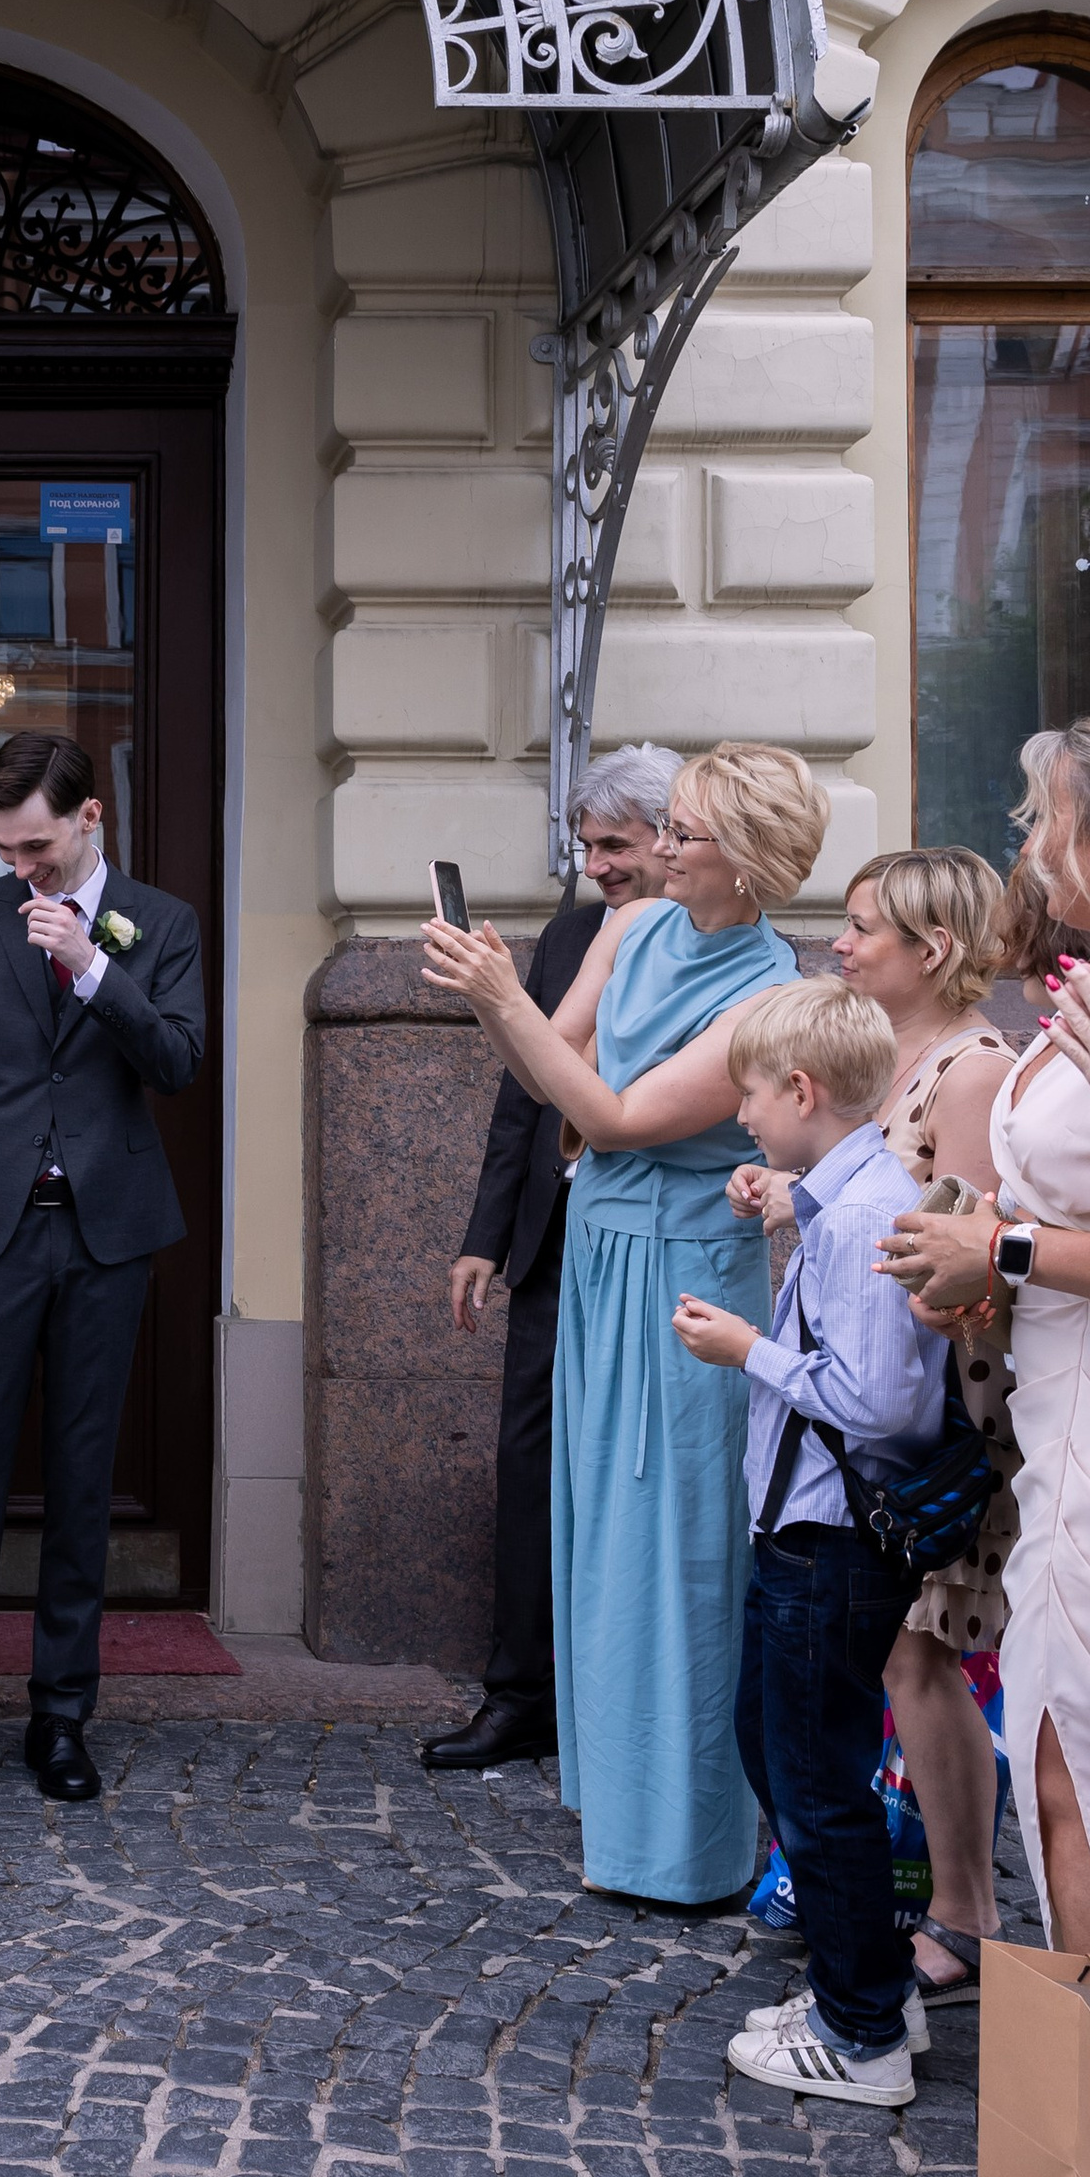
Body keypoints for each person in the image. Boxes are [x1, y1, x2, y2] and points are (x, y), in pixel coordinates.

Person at [425, 740, 828, 1903]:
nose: (654, 850)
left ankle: (690, 1845)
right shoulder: (635, 927)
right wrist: (495, 998)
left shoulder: (766, 995)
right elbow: (552, 1071)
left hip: (686, 1280)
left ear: (745, 862)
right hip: (601, 1257)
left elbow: (606, 1112)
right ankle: (620, 1811)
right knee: (601, 1535)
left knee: (680, 1549)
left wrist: (511, 1004)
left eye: (679, 834)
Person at [0, 729, 207, 1809]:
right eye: (1, 849)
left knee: (81, 1484)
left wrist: (93, 970)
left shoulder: (158, 923)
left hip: (105, 1235)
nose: (17, 869)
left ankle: (60, 1717)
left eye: (34, 845)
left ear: (90, 819)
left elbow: (175, 1061)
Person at [670, 980, 950, 2104]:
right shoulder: (843, 1195)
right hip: (804, 1534)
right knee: (780, 1748)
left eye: (749, 1092)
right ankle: (871, 1980)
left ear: (800, 1089)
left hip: (829, 1539)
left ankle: (861, 2032)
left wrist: (749, 1350)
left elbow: (881, 1405)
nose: (739, 1114)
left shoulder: (870, 1212)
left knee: (814, 1778)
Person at [769, 847, 1015, 2010]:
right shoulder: (888, 1056)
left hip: (940, 1419)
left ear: (932, 949)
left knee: (925, 1655)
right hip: (878, 1417)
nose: (841, 942)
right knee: (903, 1656)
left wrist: (850, 1216)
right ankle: (901, 1898)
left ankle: (966, 1916)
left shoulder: (972, 1068)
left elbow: (962, 1265)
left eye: (863, 927)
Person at [884, 717, 1090, 1959]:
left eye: (1047, 817)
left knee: (1082, 1779)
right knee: (1055, 1763)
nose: (1029, 842)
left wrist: (1005, 1252)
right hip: (1052, 1420)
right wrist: (974, 1249)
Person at [428, 744, 679, 1774]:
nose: (597, 864)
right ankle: (518, 1695)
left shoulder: (713, 943)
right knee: (528, 1463)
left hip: (653, 1237)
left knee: (632, 1475)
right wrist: (484, 1237)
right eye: (586, 844)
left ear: (674, 836)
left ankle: (617, 1698)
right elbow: (517, 1097)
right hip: (547, 1236)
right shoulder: (573, 930)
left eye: (615, 843)